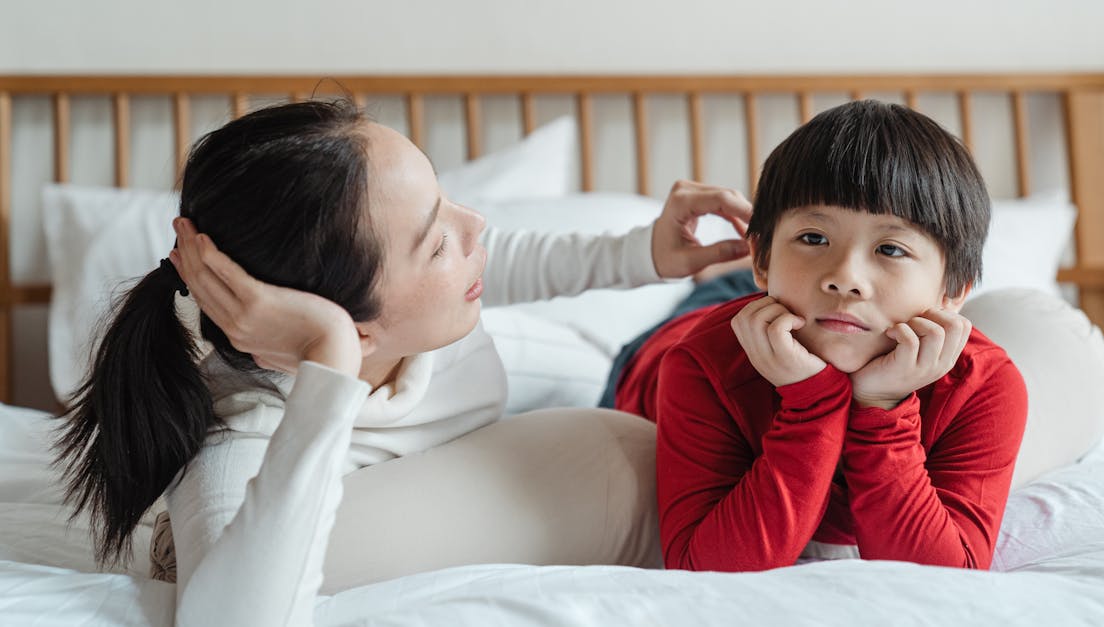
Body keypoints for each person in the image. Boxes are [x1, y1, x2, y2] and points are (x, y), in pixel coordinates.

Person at [53, 99, 753, 626]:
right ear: (351, 322)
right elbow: (233, 619)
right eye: (435, 241)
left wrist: (642, 253)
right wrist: (326, 364)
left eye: (445, 200)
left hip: (601, 383)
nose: (474, 224)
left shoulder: (416, 307)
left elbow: (501, 260)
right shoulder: (244, 435)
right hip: (621, 418)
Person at [610, 99, 1039, 572]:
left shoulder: (984, 387)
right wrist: (810, 403)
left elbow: (946, 576)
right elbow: (704, 572)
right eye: (814, 237)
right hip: (673, 345)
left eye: (891, 248)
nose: (845, 276)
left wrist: (882, 409)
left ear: (954, 290)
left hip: (800, 303)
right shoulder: (699, 363)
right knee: (714, 305)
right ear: (763, 259)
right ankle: (729, 278)